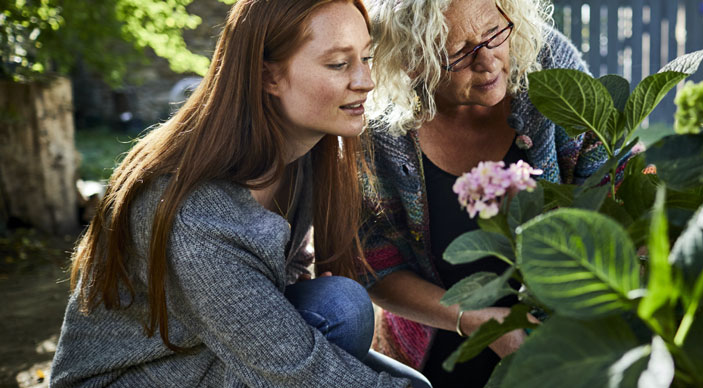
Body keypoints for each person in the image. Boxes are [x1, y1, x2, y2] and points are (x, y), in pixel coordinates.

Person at [49, 0, 429, 387]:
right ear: (268, 77)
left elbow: (288, 268)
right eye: (338, 64)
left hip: (199, 351)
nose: (366, 80)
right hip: (135, 377)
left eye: (366, 57)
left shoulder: (300, 155)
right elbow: (295, 371)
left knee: (340, 306)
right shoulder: (194, 212)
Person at [358, 0, 607, 386]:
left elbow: (610, 198)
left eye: (494, 33)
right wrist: (475, 321)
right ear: (413, 61)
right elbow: (375, 265)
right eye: (459, 52)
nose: (488, 61)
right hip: (439, 345)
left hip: (571, 343)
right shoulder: (380, 128)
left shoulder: (551, 65)